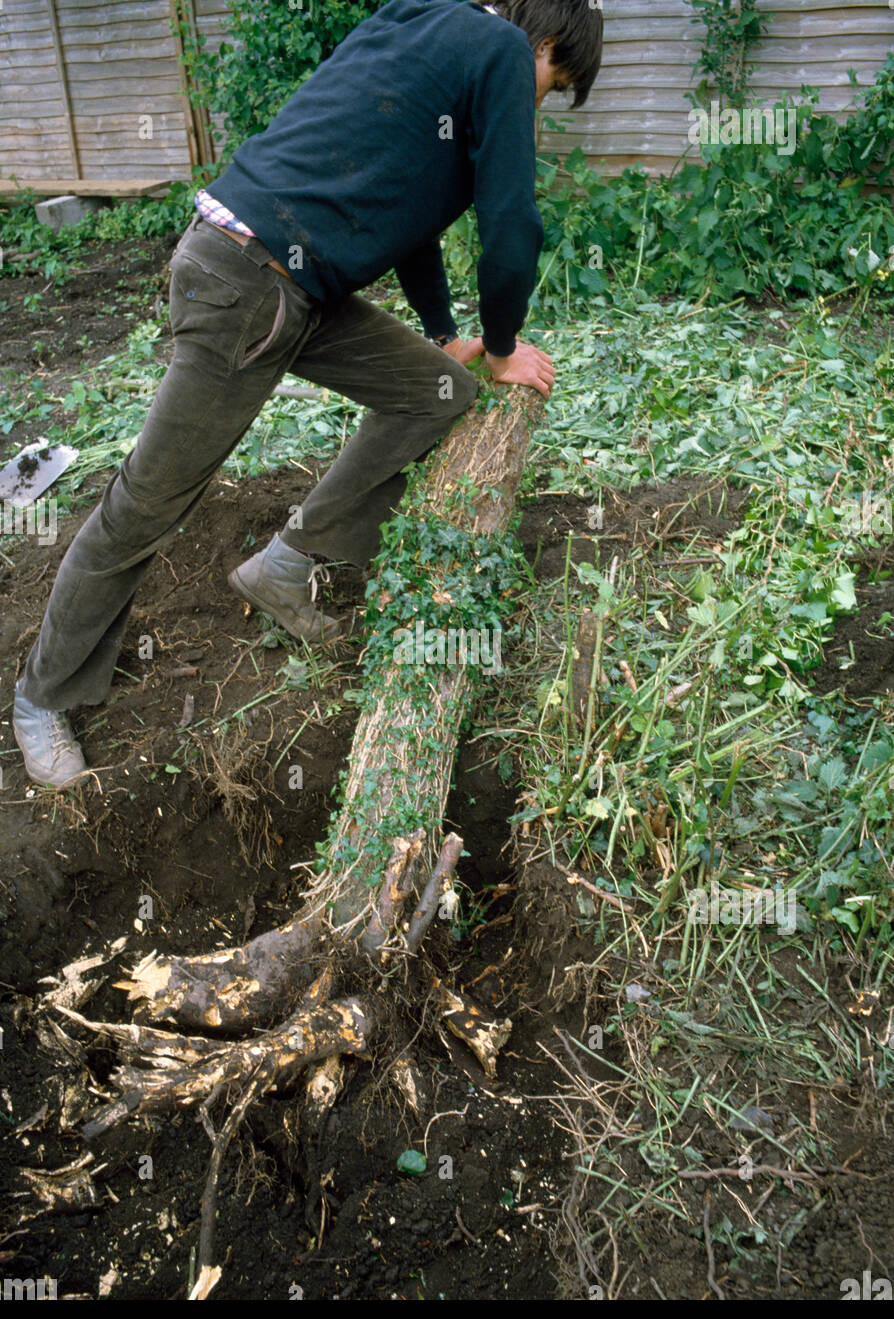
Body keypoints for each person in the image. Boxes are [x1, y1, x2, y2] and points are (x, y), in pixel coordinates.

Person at [13, 0, 603, 787]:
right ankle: (40, 696)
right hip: (244, 283)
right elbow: (512, 224)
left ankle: (284, 565)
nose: (538, 101)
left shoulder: (418, 26)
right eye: (552, 83)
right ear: (547, 41)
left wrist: (444, 338)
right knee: (147, 503)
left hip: (297, 287)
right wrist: (501, 347)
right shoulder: (498, 49)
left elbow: (413, 213)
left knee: (436, 390)